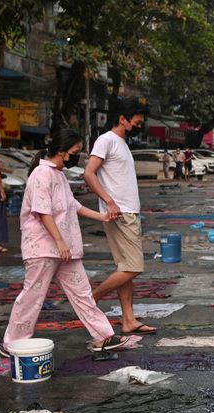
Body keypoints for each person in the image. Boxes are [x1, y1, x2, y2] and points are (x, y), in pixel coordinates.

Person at [2, 129, 129, 356]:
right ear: (62, 152)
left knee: (83, 294)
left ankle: (104, 336)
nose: (77, 156)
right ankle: (12, 343)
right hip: (43, 248)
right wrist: (59, 242)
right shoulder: (41, 175)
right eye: (75, 152)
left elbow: (73, 206)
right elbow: (43, 212)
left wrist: (102, 217)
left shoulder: (58, 175)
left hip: (65, 250)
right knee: (32, 297)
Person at [84, 97, 157, 336]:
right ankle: (88, 300)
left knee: (126, 268)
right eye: (136, 122)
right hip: (120, 213)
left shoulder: (121, 143)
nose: (139, 126)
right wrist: (109, 201)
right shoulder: (106, 140)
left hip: (127, 212)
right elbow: (89, 174)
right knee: (134, 267)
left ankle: (128, 320)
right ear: (122, 119)